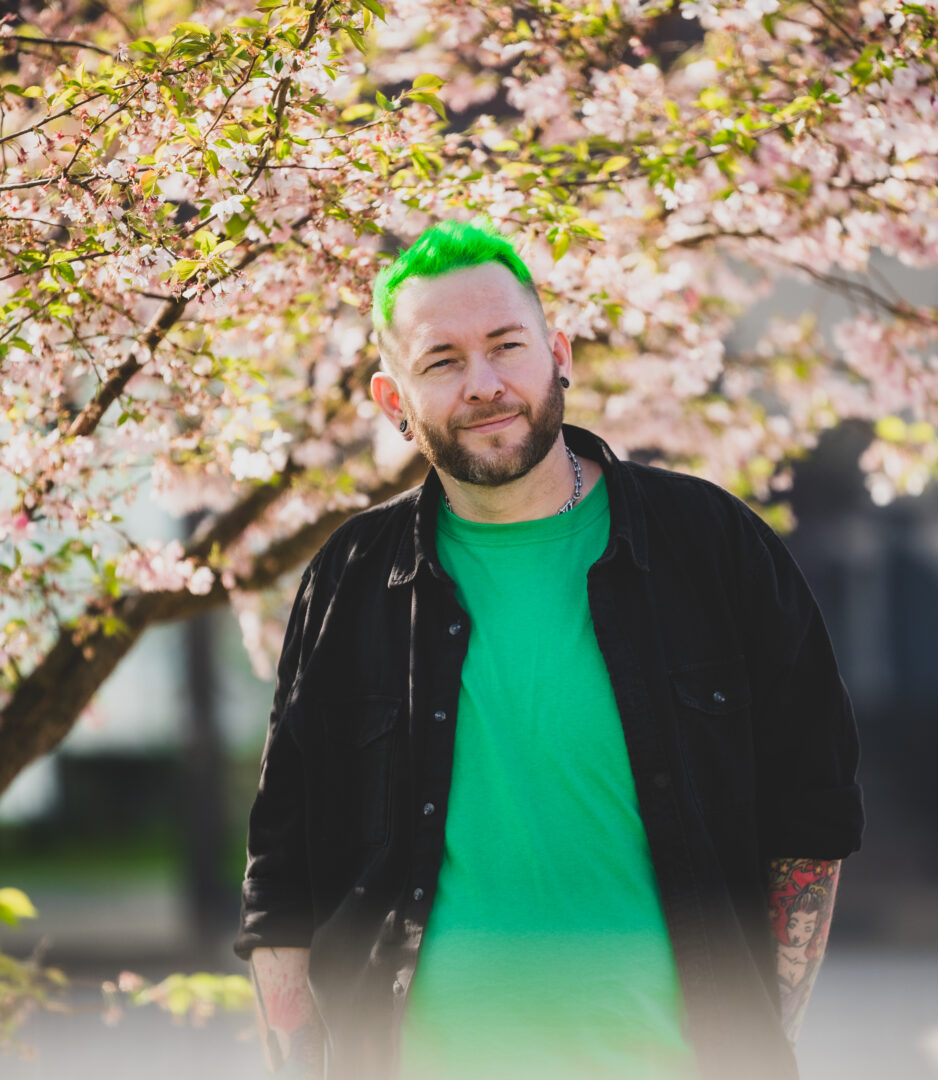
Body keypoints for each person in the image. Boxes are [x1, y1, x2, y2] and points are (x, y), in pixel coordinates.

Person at [235, 220, 864, 1080]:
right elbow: (283, 872)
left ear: (557, 353)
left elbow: (811, 814)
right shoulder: (350, 580)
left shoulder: (710, 546)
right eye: (443, 361)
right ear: (394, 401)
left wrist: (762, 1035)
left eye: (506, 345)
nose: (485, 384)